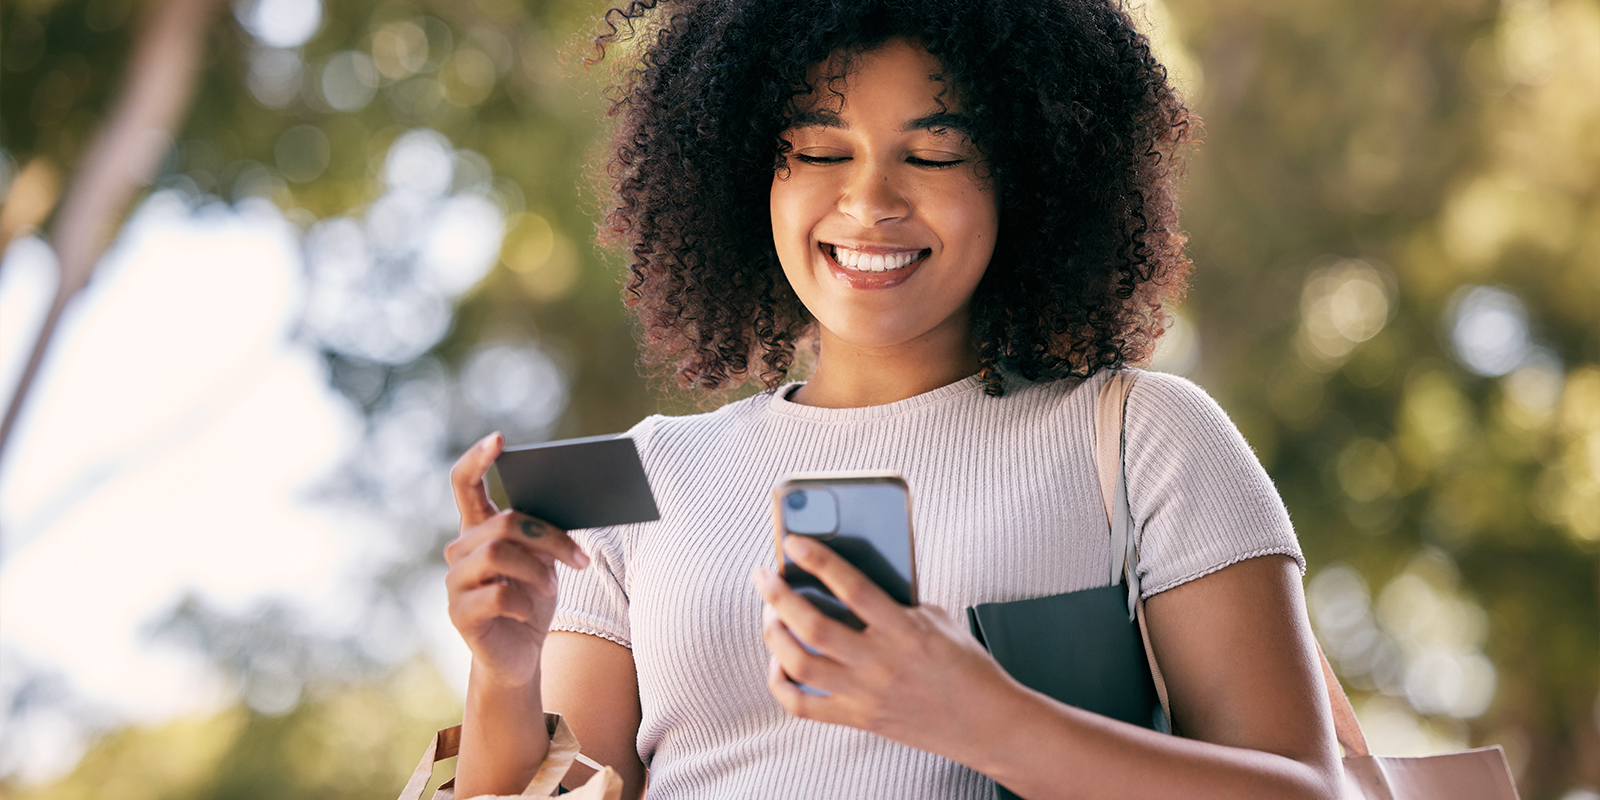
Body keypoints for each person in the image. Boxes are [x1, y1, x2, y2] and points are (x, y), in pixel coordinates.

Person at [444, 1, 1343, 798]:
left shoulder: (1141, 439)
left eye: (934, 153)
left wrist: (983, 720)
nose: (869, 201)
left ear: (1024, 176)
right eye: (822, 150)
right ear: (752, 173)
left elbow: (1305, 792)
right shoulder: (649, 479)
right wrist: (502, 672)